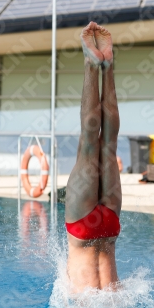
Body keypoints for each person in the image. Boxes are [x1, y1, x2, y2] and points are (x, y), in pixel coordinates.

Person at [65, 22, 121, 293]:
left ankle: (103, 65)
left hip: (107, 228)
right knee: (98, 144)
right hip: (94, 229)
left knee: (103, 144)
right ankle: (101, 65)